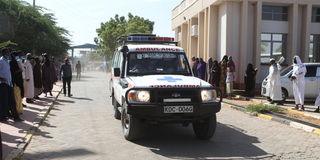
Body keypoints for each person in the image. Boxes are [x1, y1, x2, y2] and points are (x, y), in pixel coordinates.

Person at [0, 48, 23, 121]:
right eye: (7, 53)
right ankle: (2, 117)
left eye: (9, 53)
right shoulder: (1, 61)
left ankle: (16, 117)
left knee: (12, 101)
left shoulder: (7, 61)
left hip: (9, 84)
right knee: (4, 102)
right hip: (3, 84)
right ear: (3, 53)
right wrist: (1, 78)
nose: (9, 54)